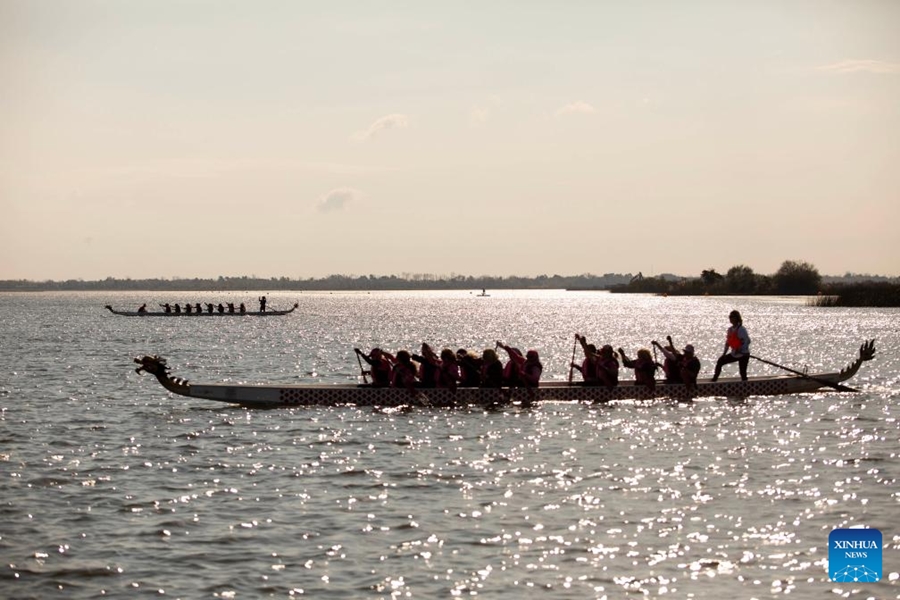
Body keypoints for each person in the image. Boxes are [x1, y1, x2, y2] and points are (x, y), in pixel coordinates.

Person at [712, 310, 751, 381]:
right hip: (734, 354)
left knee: (742, 373)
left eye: (732, 317)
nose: (731, 319)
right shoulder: (730, 330)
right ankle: (714, 379)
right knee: (720, 361)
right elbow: (727, 343)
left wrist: (740, 349)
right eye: (730, 317)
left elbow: (747, 341)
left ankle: (745, 383)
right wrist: (724, 354)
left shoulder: (741, 329)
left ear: (737, 318)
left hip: (743, 354)